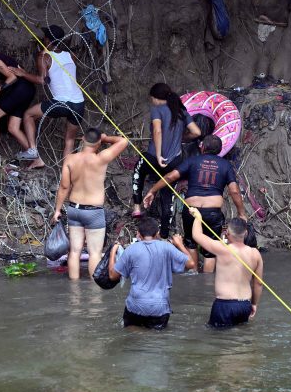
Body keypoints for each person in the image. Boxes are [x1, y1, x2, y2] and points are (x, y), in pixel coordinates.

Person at [143, 134, 247, 273]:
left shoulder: (192, 161)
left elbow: (171, 176)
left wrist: (152, 190)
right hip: (212, 212)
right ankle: (206, 282)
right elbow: (234, 191)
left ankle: (195, 274)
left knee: (191, 244)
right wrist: (241, 213)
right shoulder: (225, 165)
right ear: (219, 150)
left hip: (191, 211)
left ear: (202, 147)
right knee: (210, 250)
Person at [51, 127, 129, 280]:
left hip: (74, 209)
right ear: (98, 142)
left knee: (74, 251)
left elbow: (64, 186)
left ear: (82, 139)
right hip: (93, 212)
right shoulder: (101, 158)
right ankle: (95, 293)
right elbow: (124, 141)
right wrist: (106, 138)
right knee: (94, 253)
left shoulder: (70, 159)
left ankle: (75, 291)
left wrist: (57, 210)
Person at [130, 83, 202, 236]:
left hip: (154, 157)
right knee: (167, 195)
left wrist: (158, 154)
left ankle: (137, 207)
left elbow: (157, 131)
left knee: (138, 171)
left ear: (156, 98)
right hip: (175, 161)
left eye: (152, 98)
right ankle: (164, 234)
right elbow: (196, 132)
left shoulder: (157, 109)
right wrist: (181, 138)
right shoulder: (181, 111)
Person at [15, 25, 86, 168]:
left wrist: (23, 74)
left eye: (45, 37)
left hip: (61, 103)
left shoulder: (44, 56)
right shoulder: (71, 55)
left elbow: (42, 80)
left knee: (28, 115)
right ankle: (66, 177)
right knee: (69, 141)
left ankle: (33, 150)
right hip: (79, 103)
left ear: (47, 39)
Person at [107, 216, 195, 329]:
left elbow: (112, 276)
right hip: (159, 306)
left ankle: (138, 333)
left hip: (136, 304)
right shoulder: (167, 247)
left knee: (132, 331)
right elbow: (191, 264)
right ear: (157, 233)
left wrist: (112, 252)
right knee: (156, 338)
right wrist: (179, 244)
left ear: (138, 234)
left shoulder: (131, 250)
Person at [187, 208, 263, 328]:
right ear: (246, 233)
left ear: (227, 233)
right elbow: (258, 283)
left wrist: (198, 217)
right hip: (245, 305)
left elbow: (197, 235)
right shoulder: (255, 254)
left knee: (218, 341)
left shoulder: (222, 249)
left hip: (225, 305)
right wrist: (254, 304)